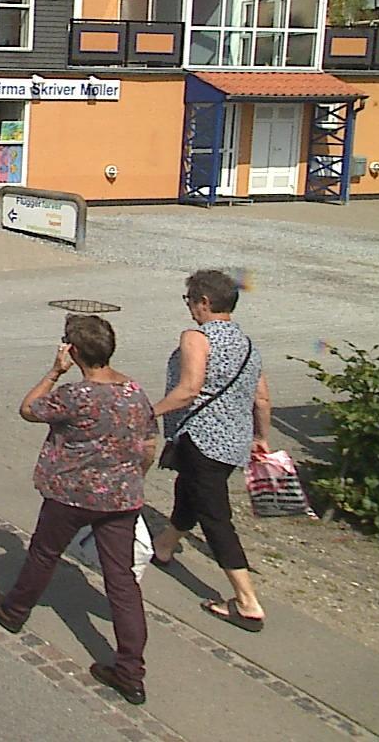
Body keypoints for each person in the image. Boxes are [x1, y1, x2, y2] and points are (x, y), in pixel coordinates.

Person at [0, 314, 156, 706]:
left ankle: (14, 610)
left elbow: (28, 409)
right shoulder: (135, 393)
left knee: (44, 552)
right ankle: (130, 670)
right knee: (121, 580)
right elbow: (148, 447)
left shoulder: (75, 394)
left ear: (72, 351)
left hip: (71, 493)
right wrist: (131, 478)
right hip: (121, 497)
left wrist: (54, 371)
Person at [149, 269, 271, 632]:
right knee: (190, 492)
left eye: (189, 300)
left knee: (215, 517)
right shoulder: (247, 345)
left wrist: (147, 413)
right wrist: (261, 437)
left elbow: (189, 390)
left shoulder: (196, 338)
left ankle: (247, 602)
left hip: (202, 440)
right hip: (233, 443)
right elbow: (262, 398)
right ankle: (164, 547)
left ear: (204, 302)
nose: (188, 307)